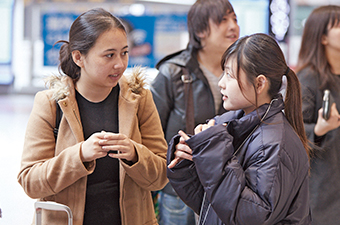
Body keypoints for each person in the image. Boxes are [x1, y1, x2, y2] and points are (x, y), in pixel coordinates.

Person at [17, 8, 168, 225]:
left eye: (124, 53)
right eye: (109, 55)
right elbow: (30, 181)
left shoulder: (140, 98)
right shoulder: (50, 103)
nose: (119, 64)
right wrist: (79, 155)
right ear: (78, 57)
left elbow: (161, 176)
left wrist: (135, 154)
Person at [166, 33, 312, 224]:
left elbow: (251, 216)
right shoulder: (233, 124)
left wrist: (213, 152)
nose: (221, 83)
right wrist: (187, 161)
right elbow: (211, 202)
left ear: (259, 83)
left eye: (229, 75)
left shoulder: (274, 143)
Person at [150, 0, 239, 224]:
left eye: (235, 19)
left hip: (226, 188)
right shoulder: (173, 73)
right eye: (223, 20)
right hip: (180, 191)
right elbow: (151, 135)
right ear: (200, 31)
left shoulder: (241, 72)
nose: (233, 26)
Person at [296, 5, 340, 225]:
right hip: (323, 189)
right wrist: (321, 128)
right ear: (322, 37)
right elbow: (293, 131)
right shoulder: (308, 79)